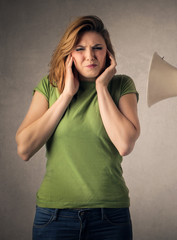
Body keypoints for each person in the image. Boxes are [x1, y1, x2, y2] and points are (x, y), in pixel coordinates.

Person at [15, 15, 140, 240]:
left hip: (109, 217)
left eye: (97, 48)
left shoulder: (121, 85)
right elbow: (24, 149)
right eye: (80, 49)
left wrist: (101, 87)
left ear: (108, 53)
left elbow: (124, 144)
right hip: (54, 217)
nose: (90, 56)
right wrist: (66, 95)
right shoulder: (49, 86)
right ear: (69, 54)